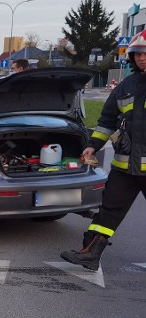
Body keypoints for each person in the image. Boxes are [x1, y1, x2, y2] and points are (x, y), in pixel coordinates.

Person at [60, 29, 146, 270]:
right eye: (137, 54)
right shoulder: (126, 86)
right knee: (107, 213)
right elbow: (107, 121)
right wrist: (92, 146)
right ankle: (91, 254)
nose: (141, 58)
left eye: (145, 54)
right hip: (125, 167)